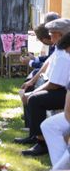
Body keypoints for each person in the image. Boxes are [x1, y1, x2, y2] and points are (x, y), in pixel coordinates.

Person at [16, 18, 70, 157]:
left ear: (61, 34)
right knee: (29, 90)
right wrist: (32, 82)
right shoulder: (59, 47)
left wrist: (34, 92)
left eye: (52, 33)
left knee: (35, 99)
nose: (49, 35)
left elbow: (55, 84)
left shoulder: (65, 53)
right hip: (56, 86)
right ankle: (33, 134)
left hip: (63, 91)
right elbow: (47, 63)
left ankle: (42, 144)